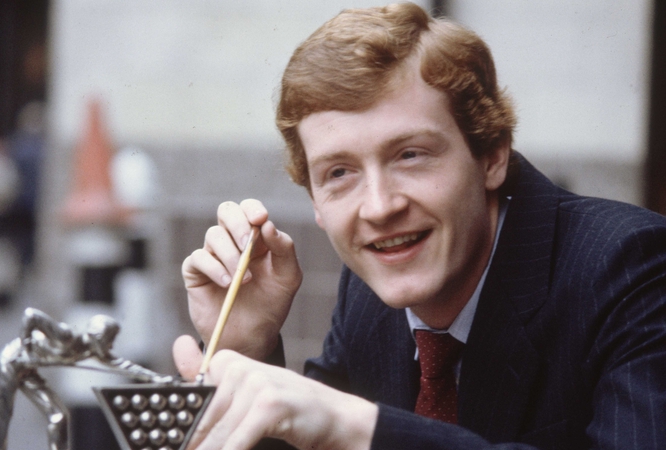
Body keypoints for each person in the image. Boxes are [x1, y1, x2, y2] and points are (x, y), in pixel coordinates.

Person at [173, 3, 666, 450]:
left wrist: (354, 426)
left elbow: (341, 426)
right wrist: (246, 349)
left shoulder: (631, 265)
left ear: (492, 155)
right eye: (339, 173)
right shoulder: (371, 288)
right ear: (314, 202)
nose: (379, 208)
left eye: (410, 155)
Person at [0, 308, 174, 450]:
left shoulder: (92, 351)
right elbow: (31, 316)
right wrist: (26, 348)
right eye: (110, 340)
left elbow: (125, 367)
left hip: (29, 369)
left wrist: (158, 378)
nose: (111, 345)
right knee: (3, 412)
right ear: (98, 337)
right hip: (11, 360)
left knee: (59, 417)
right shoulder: (66, 336)